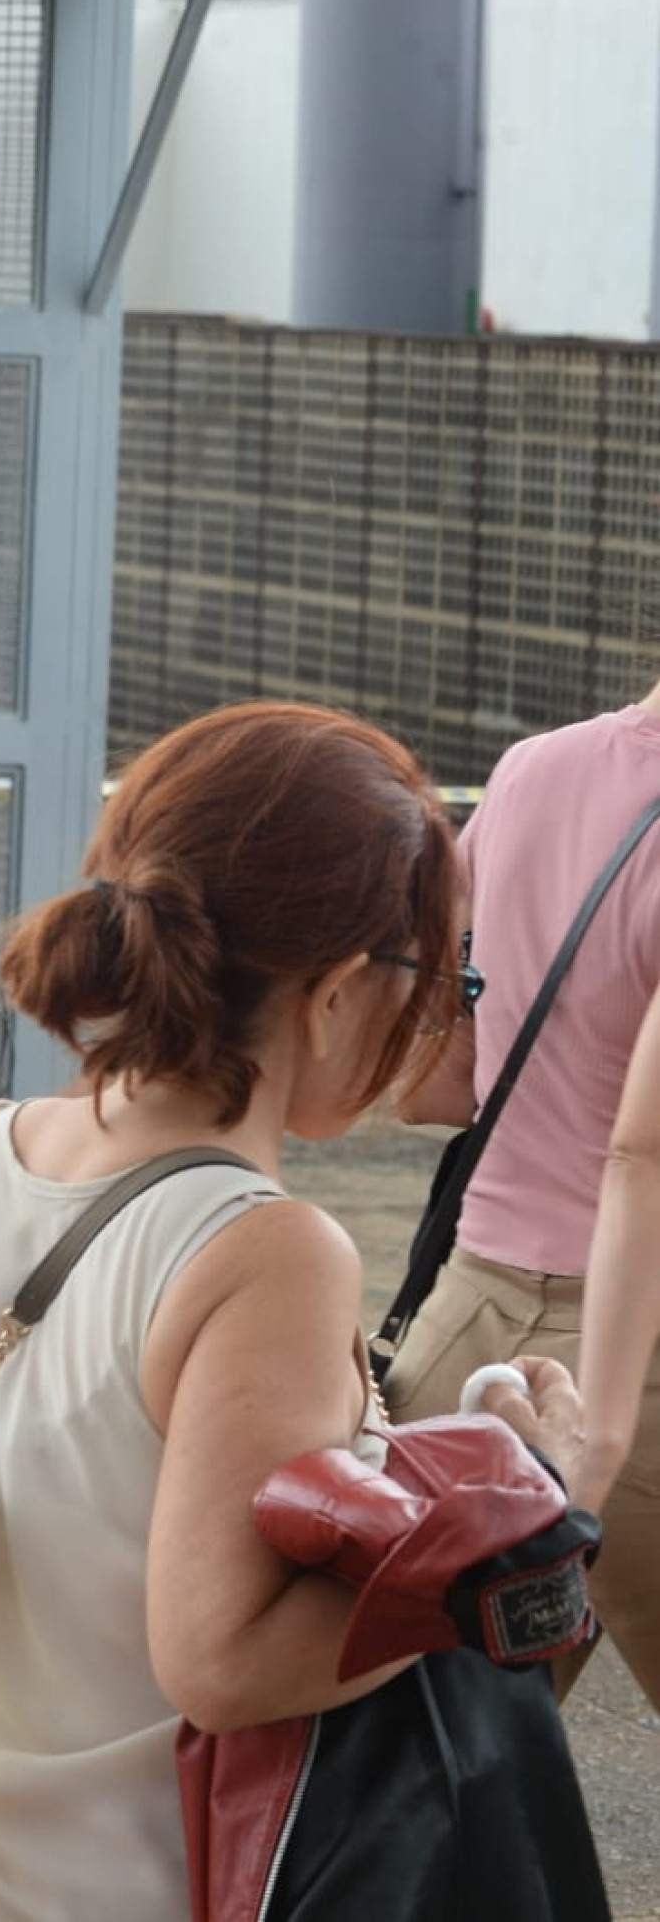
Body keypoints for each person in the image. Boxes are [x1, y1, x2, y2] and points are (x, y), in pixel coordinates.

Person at [0, 700, 583, 1918]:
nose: (439, 1015)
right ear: (338, 989)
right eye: (440, 978)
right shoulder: (265, 1250)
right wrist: (518, 1491)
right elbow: (223, 1661)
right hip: (115, 1885)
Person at [393, 686, 660, 1708]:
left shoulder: (529, 770)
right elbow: (640, 1153)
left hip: (467, 1334)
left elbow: (437, 1077)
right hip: (629, 1370)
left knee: (441, 1760)